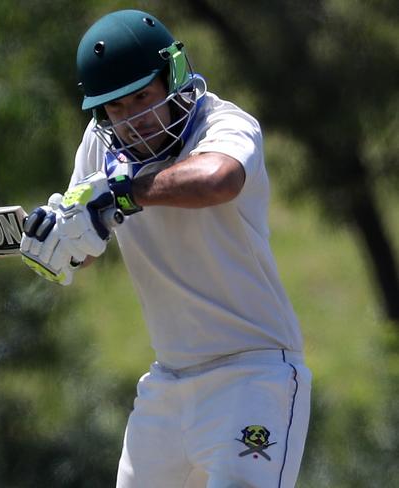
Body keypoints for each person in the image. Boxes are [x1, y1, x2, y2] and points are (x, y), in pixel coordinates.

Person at [20, 9, 311, 488]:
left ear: (171, 77)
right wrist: (61, 238)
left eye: (143, 98)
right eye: (118, 108)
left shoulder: (225, 123)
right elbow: (89, 243)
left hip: (255, 377)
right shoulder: (100, 145)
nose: (134, 121)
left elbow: (219, 178)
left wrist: (125, 192)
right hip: (167, 388)